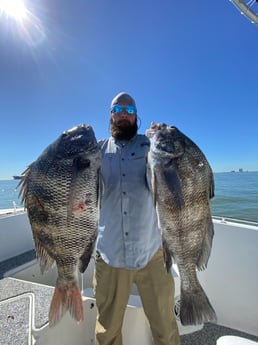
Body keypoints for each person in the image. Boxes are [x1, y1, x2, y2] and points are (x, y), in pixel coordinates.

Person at [93, 92, 180, 345]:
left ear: (136, 117)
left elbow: (174, 170)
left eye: (129, 110)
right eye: (117, 108)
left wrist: (163, 135)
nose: (123, 114)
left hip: (152, 251)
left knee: (165, 325)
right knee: (106, 330)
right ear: (110, 114)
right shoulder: (97, 151)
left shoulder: (151, 146)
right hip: (110, 253)